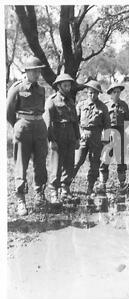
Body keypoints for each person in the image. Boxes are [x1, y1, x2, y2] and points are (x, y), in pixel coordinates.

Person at [7, 56, 48, 216]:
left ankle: (40, 193)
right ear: (27, 71)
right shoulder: (17, 88)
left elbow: (41, 109)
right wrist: (18, 125)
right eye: (34, 71)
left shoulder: (41, 89)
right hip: (23, 127)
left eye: (39, 70)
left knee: (40, 162)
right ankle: (21, 200)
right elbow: (9, 112)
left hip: (39, 127)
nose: (37, 73)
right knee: (21, 164)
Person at [44, 74, 80, 205]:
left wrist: (77, 138)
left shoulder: (71, 101)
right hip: (58, 137)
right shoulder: (51, 101)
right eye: (65, 85)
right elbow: (47, 123)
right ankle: (54, 193)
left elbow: (75, 121)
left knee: (69, 165)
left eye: (69, 85)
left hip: (70, 136)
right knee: (56, 166)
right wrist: (51, 140)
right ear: (58, 86)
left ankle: (65, 191)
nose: (68, 87)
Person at [73, 80, 111, 196]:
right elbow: (75, 122)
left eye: (94, 93)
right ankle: (65, 187)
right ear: (86, 93)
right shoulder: (81, 105)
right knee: (77, 162)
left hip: (96, 137)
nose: (92, 95)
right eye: (90, 93)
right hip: (82, 136)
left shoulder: (103, 107)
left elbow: (107, 125)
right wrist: (80, 133)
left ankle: (90, 187)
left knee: (94, 164)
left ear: (98, 93)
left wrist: (105, 140)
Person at [99, 83, 129, 192]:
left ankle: (122, 183)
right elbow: (101, 121)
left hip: (120, 133)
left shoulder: (124, 105)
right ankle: (102, 183)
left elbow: (127, 120)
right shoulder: (105, 105)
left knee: (121, 159)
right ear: (110, 94)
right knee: (105, 158)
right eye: (114, 92)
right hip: (108, 132)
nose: (117, 94)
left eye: (118, 92)